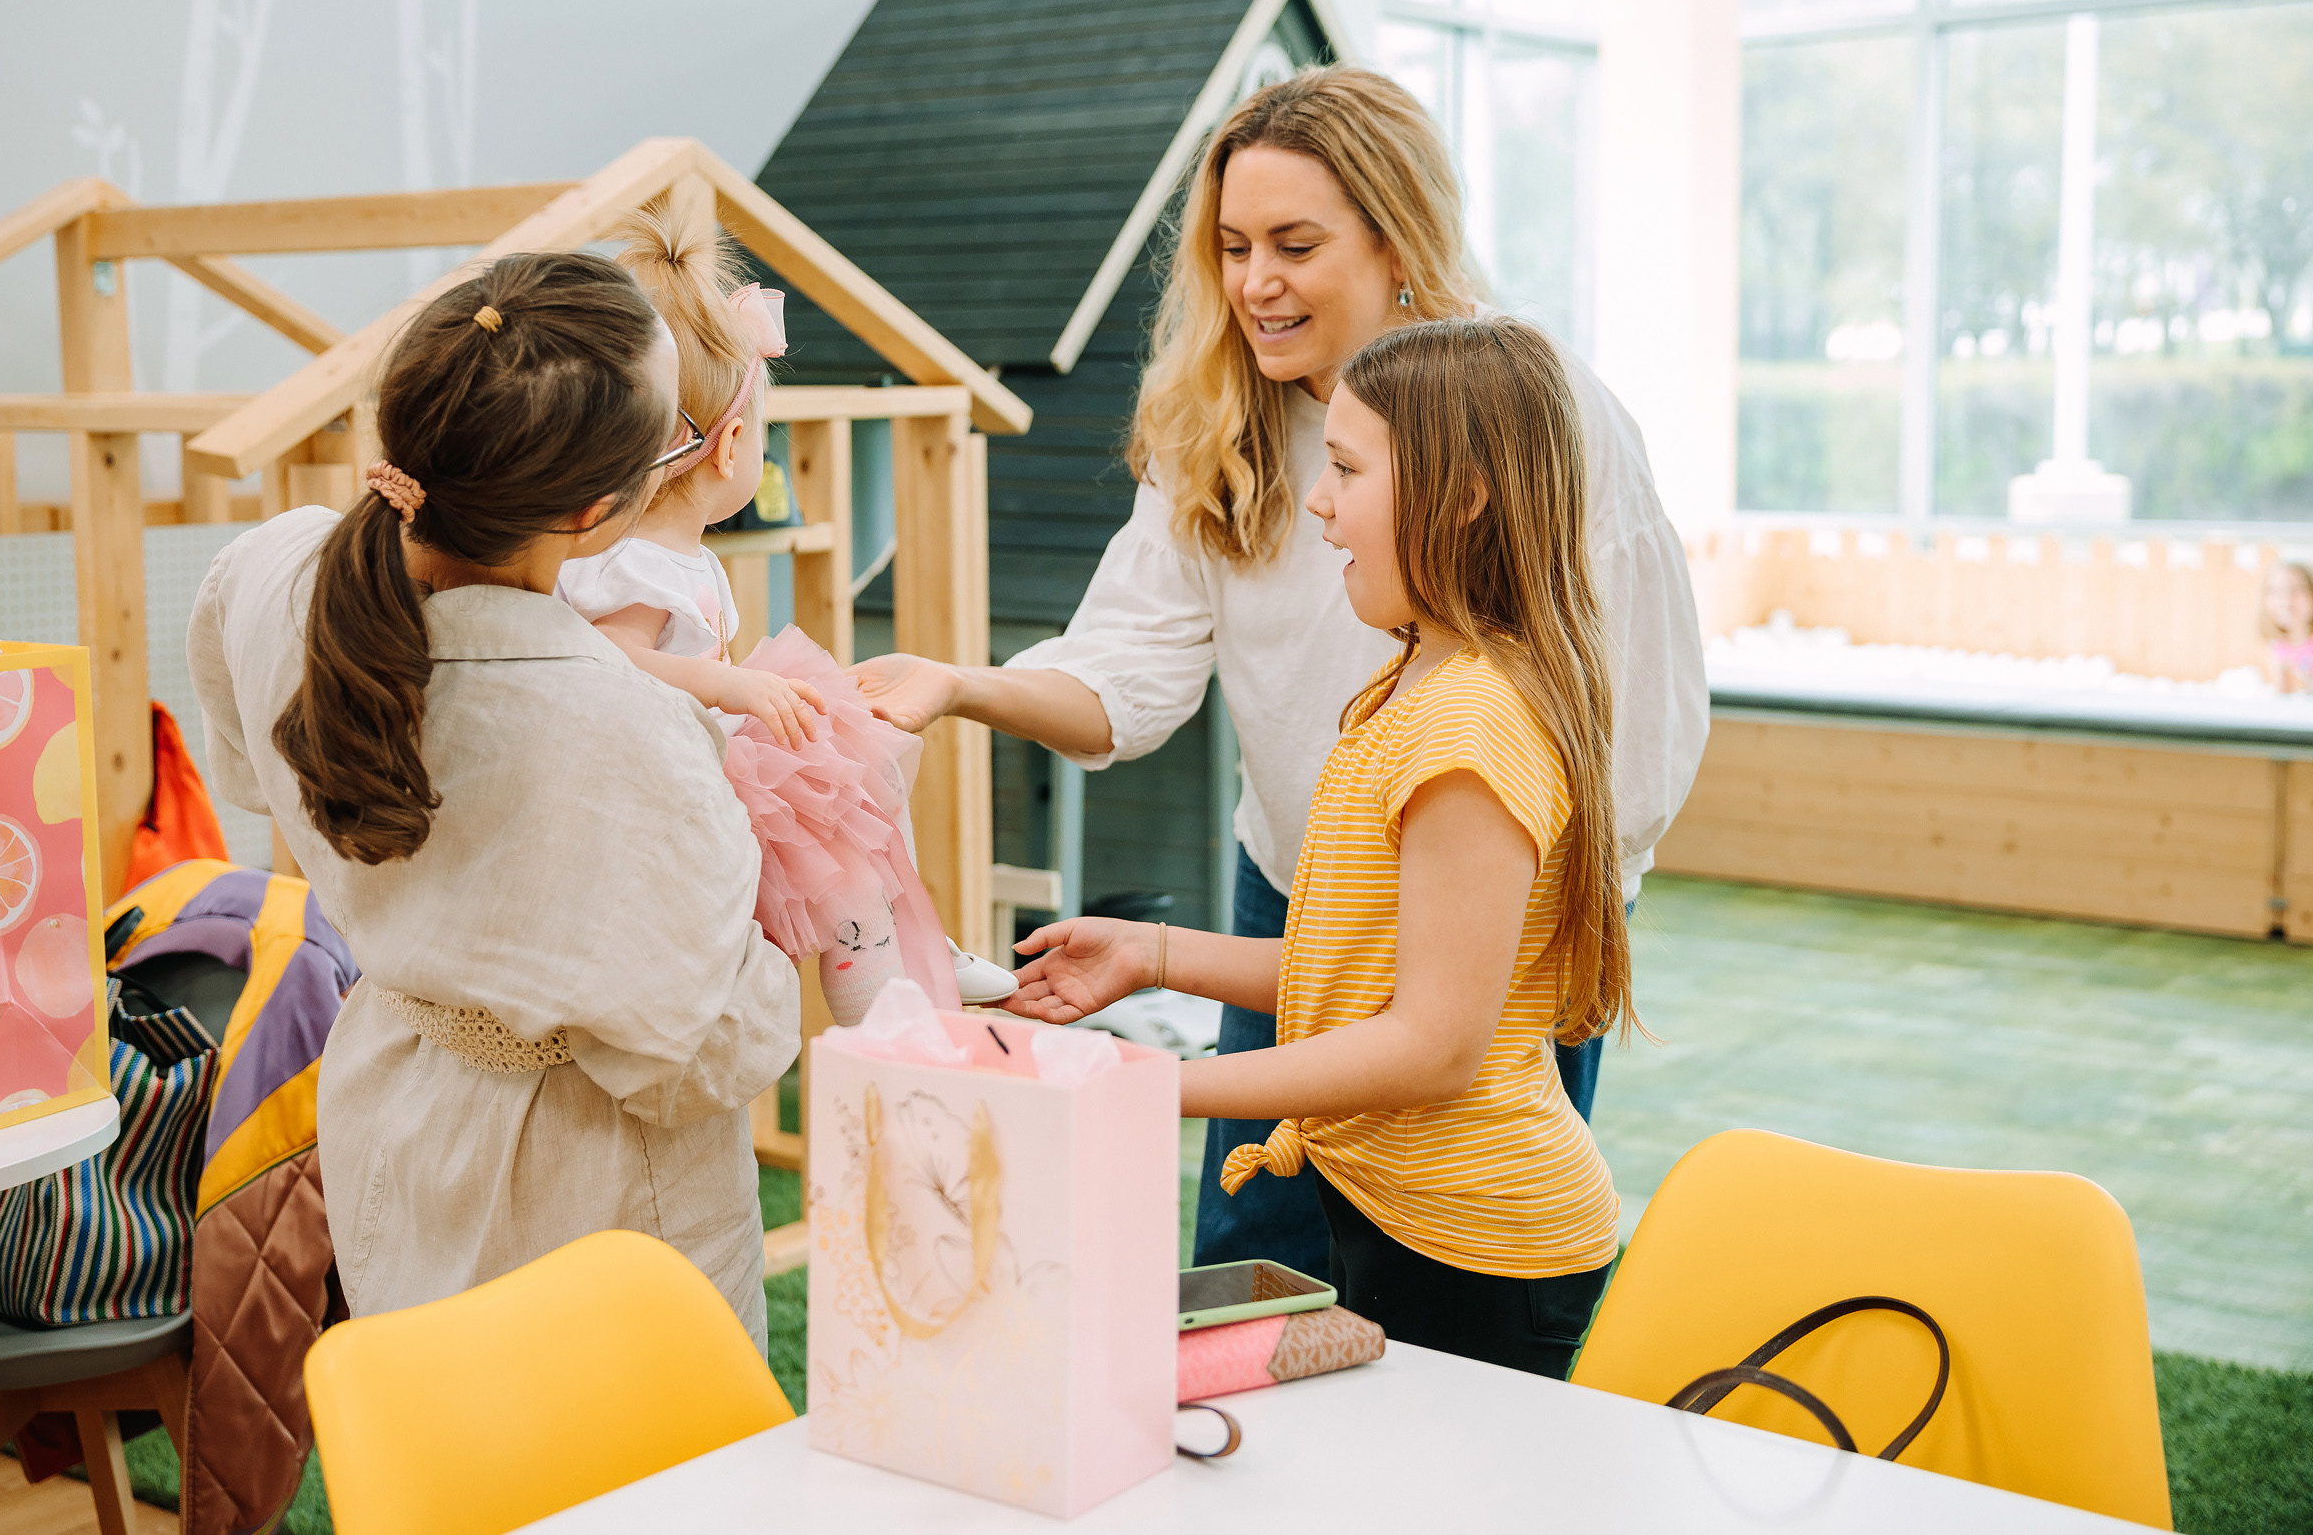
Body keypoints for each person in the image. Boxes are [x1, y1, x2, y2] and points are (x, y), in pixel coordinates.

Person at [851, 66, 1707, 1279]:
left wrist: (1535, 920)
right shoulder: (1220, 422)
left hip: (1494, 913)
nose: (1255, 283)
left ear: (1396, 238)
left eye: (1295, 245)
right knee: (1260, 1262)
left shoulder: (1541, 416)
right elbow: (1125, 673)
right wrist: (959, 684)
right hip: (1300, 894)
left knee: (1444, 1261)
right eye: (1233, 246)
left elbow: (1637, 715)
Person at [187, 251, 800, 1345]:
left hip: (391, 1109)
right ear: (601, 508)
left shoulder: (271, 572)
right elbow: (712, 1051)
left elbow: (252, 778)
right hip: (592, 1196)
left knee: (432, 1456)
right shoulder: (625, 729)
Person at [1005, 316, 1628, 1372]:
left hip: (1484, 1249)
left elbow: (1431, 1047)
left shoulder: (1470, 727)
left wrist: (1146, 1084)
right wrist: (1148, 957)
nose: (1319, 500)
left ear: (1464, 493)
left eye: (1345, 467)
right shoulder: (1416, 681)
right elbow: (1365, 980)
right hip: (1401, 1214)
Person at [555, 198, 1017, 1022]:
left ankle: (906, 935)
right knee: (837, 830)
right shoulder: (633, 565)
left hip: (720, 749)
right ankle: (878, 996)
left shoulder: (671, 554)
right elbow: (606, 666)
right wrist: (730, 688)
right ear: (731, 450)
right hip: (691, 774)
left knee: (870, 752)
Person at [2262, 560, 2313, 693]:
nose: (2287, 599)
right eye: (2278, 591)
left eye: (2297, 589)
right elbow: (2282, 698)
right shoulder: (2275, 648)